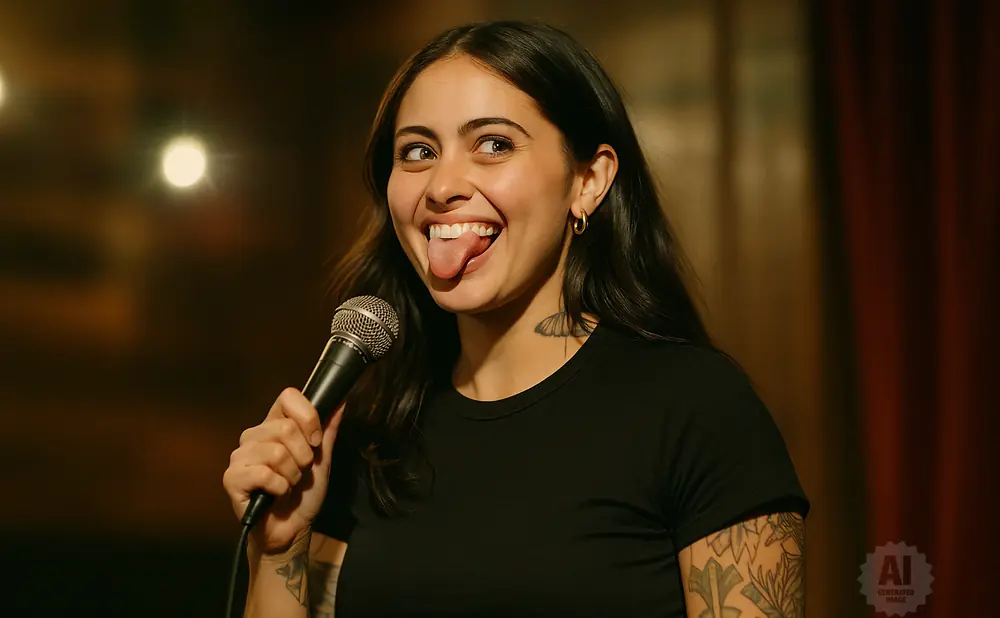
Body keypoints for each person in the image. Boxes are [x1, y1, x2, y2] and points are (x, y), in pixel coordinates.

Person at [222, 20, 809, 618]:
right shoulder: (372, 437)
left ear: (589, 180)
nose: (444, 185)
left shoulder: (696, 410)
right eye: (418, 152)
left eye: (494, 144)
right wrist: (277, 553)